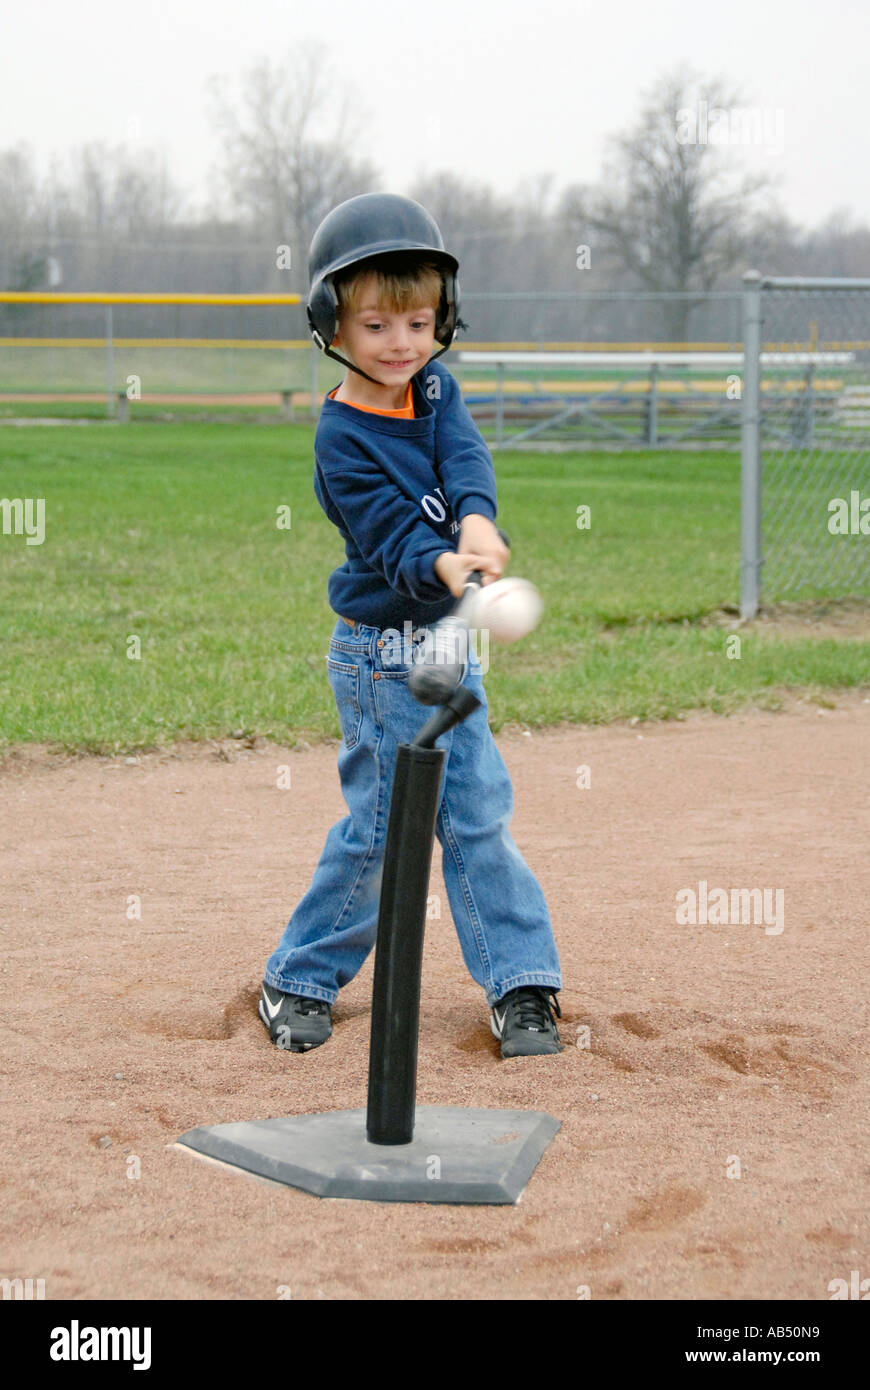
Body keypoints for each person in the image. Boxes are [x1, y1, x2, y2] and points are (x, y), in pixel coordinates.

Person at [260, 193, 563, 1059]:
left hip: (447, 648)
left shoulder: (433, 387)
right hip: (381, 654)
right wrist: (439, 563)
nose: (402, 344)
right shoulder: (340, 436)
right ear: (333, 325)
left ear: (445, 320)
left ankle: (522, 984)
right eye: (378, 325)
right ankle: (299, 978)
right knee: (386, 828)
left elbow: (464, 454)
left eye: (420, 322)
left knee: (476, 813)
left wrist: (476, 519)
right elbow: (389, 532)